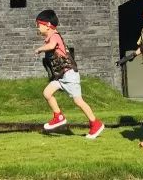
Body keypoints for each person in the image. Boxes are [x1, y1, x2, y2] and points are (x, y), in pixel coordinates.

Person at [34, 9, 104, 139]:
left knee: (78, 101)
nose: (37, 27)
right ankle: (58, 116)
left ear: (48, 25)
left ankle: (96, 123)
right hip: (61, 77)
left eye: (39, 25)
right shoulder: (49, 37)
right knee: (47, 93)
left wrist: (40, 49)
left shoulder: (55, 36)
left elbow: (51, 46)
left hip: (69, 74)